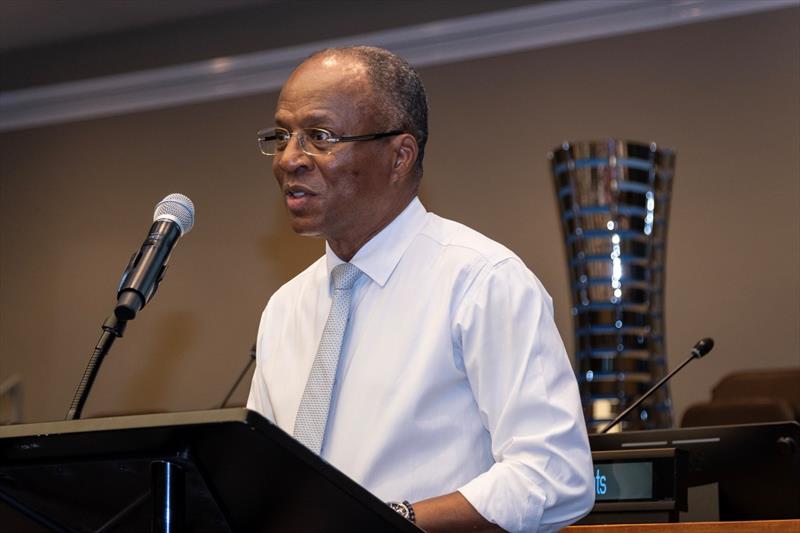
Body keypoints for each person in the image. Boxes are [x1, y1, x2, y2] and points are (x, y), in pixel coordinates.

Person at [247, 46, 594, 532]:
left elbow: (553, 475)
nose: (289, 159)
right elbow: (262, 484)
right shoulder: (285, 309)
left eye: (319, 136)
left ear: (399, 156)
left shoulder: (481, 281)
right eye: (282, 136)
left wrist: (391, 523)